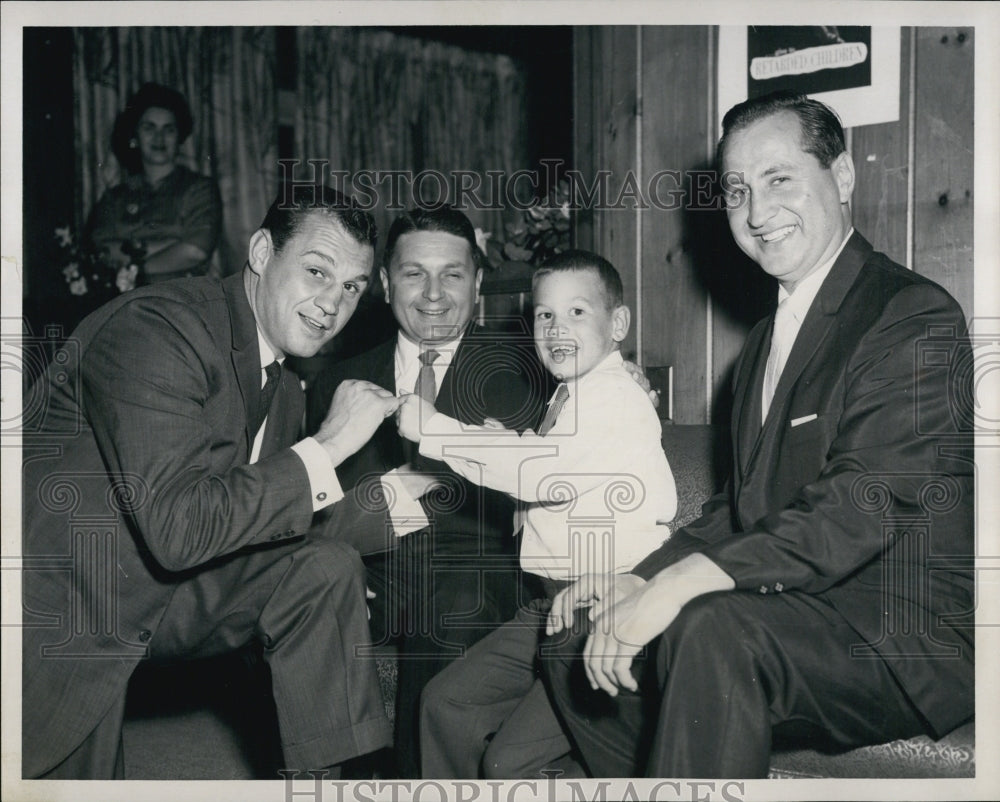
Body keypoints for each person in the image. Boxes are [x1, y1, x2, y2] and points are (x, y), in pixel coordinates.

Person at [541, 91, 974, 778]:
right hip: (792, 617)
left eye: (779, 179)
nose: (756, 210)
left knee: (712, 628)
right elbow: (737, 512)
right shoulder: (766, 342)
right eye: (737, 189)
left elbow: (861, 503)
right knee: (570, 634)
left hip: (897, 639)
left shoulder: (911, 315)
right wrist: (634, 578)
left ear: (841, 179)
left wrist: (680, 585)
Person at [22, 184, 405, 779]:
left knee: (324, 570)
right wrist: (329, 444)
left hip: (159, 590)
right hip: (65, 606)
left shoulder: (278, 383)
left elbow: (267, 521)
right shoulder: (158, 327)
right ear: (259, 252)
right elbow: (180, 527)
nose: (333, 303)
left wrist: (420, 492)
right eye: (316, 271)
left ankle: (335, 787)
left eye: (352, 287)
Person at [402, 251, 677, 779]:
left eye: (576, 312)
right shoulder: (572, 395)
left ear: (617, 323)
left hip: (608, 607)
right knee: (445, 704)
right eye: (545, 315)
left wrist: (433, 428)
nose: (556, 328)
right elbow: (554, 458)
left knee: (511, 761)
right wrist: (498, 440)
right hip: (553, 606)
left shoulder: (615, 397)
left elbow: (543, 474)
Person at [306, 205, 550, 777]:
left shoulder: (533, 371)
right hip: (373, 579)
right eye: (415, 274)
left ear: (479, 281)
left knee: (454, 596)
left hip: (479, 579)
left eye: (453, 274)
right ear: (387, 283)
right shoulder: (335, 382)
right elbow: (316, 505)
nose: (434, 293)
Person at [85, 82, 222, 286]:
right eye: (149, 127)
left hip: (183, 301)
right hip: (122, 302)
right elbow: (100, 250)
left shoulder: (199, 189)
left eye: (169, 129)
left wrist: (136, 269)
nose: (159, 138)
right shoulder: (114, 198)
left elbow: (195, 251)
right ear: (135, 137)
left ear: (180, 137)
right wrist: (170, 245)